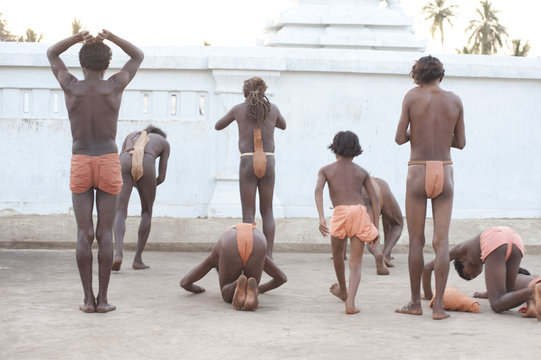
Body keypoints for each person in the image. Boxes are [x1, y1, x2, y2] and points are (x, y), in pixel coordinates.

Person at [47, 30, 144, 313]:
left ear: (82, 63)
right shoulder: (114, 86)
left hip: (80, 160)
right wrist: (112, 37)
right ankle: (103, 300)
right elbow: (138, 55)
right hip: (108, 160)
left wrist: (77, 37)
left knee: (83, 233)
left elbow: (52, 53)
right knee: (105, 233)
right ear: (106, 64)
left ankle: (87, 300)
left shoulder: (71, 86)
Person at [394, 55, 465, 320]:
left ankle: (415, 302)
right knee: (441, 241)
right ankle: (437, 306)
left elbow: (400, 138)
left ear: (417, 75)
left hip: (418, 169)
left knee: (416, 240)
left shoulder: (412, 97)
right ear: (441, 75)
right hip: (444, 169)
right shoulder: (455, 100)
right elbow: (461, 142)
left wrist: (418, 132)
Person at [314, 131, 388, 315]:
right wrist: (374, 227)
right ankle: (351, 303)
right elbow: (375, 200)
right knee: (356, 263)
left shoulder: (326, 170)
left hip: (340, 213)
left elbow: (318, 191)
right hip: (359, 212)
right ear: (356, 151)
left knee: (338, 255)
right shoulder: (362, 172)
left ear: (335, 149)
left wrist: (322, 217)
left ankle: (343, 290)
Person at [215, 77, 286, 258]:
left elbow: (218, 126)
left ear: (245, 92)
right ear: (264, 91)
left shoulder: (239, 109)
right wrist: (267, 120)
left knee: (248, 213)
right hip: (268, 160)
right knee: (267, 210)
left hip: (247, 160)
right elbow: (283, 125)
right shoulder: (273, 109)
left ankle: (249, 254)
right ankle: (268, 256)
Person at [422, 226, 541, 318]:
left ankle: (532, 291)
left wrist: (428, 295)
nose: (473, 275)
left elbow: (428, 267)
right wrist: (487, 293)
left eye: (468, 274)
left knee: (496, 304)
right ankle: (533, 297)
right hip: (515, 239)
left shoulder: (458, 251)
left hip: (496, 239)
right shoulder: (484, 255)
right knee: (507, 299)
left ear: (462, 261)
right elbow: (499, 287)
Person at [180, 223, 287, 311]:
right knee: (252, 282)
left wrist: (199, 290)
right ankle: (251, 292)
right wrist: (259, 289)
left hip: (230, 242)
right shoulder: (259, 248)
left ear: (219, 266)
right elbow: (281, 278)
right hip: (258, 239)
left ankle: (237, 284)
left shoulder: (215, 255)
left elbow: (185, 283)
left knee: (226, 294)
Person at [113, 125, 170, 271]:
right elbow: (162, 177)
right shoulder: (163, 142)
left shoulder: (131, 135)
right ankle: (137, 260)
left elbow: (118, 159)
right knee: (146, 212)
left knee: (120, 211)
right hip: (147, 162)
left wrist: (132, 183)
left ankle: (118, 254)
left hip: (125, 159)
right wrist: (147, 187)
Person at [361, 177, 404, 267]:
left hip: (361, 193)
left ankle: (378, 254)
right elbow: (391, 224)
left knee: (371, 233)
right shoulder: (381, 183)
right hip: (382, 189)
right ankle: (385, 253)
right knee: (397, 224)